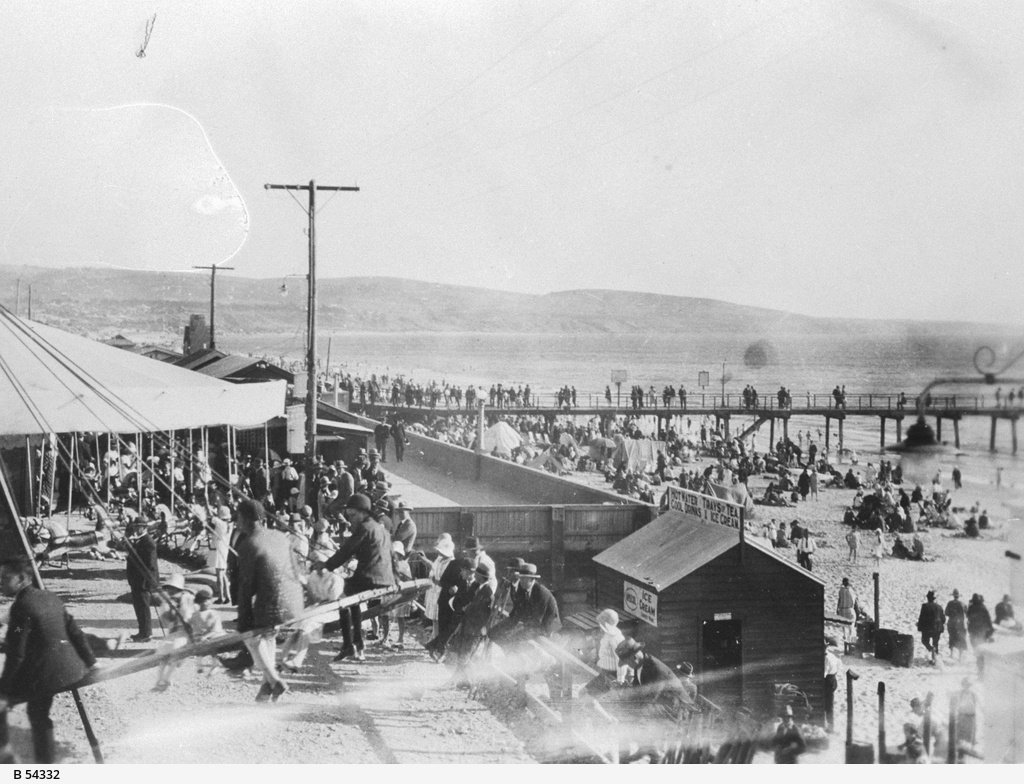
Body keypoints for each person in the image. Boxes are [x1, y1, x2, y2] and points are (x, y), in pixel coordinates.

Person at [0, 557, 97, 763]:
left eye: (5, 578)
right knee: (37, 711)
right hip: (72, 670)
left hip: (46, 675)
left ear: (22, 578)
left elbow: (16, 653)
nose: (1, 582)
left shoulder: (21, 607)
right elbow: (75, 632)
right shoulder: (50, 597)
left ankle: (11, 761)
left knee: (12, 707)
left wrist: (4, 688)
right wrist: (91, 662)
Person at [234, 498, 304, 701]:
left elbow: (245, 588)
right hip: (295, 599)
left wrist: (243, 621)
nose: (237, 522)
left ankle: (274, 680)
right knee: (268, 633)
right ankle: (266, 688)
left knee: (252, 636)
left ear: (244, 519)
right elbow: (296, 568)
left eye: (238, 518)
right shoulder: (280, 536)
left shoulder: (249, 544)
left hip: (275, 603)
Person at [324, 493, 396, 662]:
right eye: (349, 516)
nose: (351, 519)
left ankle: (348, 645)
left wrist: (326, 566)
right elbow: (393, 557)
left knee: (342, 598)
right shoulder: (381, 529)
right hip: (385, 578)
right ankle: (358, 644)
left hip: (370, 578)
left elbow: (346, 550)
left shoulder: (365, 528)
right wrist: (396, 580)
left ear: (363, 513)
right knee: (353, 601)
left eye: (353, 515)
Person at [153, 573, 195, 692]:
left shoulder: (188, 599)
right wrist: (169, 609)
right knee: (161, 651)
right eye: (168, 588)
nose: (170, 590)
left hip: (185, 632)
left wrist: (179, 609)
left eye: (173, 588)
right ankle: (159, 679)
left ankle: (167, 679)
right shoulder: (166, 601)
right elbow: (166, 620)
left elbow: (190, 617)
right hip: (173, 632)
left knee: (176, 650)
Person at [125, 516, 160, 642]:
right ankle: (142, 631)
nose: (135, 529)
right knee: (139, 607)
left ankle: (147, 633)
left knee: (143, 607)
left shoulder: (148, 542)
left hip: (143, 581)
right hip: (136, 580)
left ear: (144, 528)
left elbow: (150, 564)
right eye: (134, 527)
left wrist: (148, 581)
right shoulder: (139, 540)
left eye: (137, 527)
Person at [582, 609, 628, 696]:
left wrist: (620, 679)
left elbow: (622, 659)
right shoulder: (607, 634)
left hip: (611, 675)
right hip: (604, 672)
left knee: (588, 698)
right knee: (582, 693)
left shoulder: (615, 638)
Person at [189, 587, 225, 674]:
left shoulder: (213, 614)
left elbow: (216, 629)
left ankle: (215, 664)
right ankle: (199, 665)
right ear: (198, 602)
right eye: (204, 601)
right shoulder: (195, 614)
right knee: (198, 647)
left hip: (213, 635)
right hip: (200, 635)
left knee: (214, 647)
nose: (207, 603)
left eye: (208, 600)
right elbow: (192, 626)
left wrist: (205, 636)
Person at [209, 505, 232, 604]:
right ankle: (228, 596)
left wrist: (206, 501)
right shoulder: (229, 525)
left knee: (219, 575)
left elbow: (210, 515)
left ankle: (221, 597)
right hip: (225, 549)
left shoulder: (220, 523)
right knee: (223, 575)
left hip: (219, 549)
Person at [917, 590, 945, 665]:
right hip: (938, 628)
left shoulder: (925, 606)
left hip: (927, 628)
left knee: (924, 641)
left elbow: (922, 617)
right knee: (935, 643)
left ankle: (931, 649)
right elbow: (943, 619)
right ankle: (935, 660)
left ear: (928, 598)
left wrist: (920, 627)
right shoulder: (939, 606)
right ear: (934, 599)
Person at [945, 589, 968, 662]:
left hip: (952, 623)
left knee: (952, 637)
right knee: (961, 638)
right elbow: (967, 613)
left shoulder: (950, 603)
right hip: (960, 623)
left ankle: (951, 654)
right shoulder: (963, 604)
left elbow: (946, 613)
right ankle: (960, 657)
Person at [823, 643, 841, 733]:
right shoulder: (832, 655)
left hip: (827, 681)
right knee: (829, 703)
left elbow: (824, 673)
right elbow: (839, 664)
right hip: (833, 679)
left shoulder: (826, 658)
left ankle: (830, 727)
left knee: (828, 705)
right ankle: (830, 725)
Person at [836, 578, 858, 642]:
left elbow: (839, 600)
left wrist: (837, 608)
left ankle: (844, 635)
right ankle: (849, 636)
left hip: (842, 610)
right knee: (851, 623)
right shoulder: (852, 591)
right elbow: (855, 602)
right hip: (849, 610)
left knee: (843, 623)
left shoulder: (841, 590)